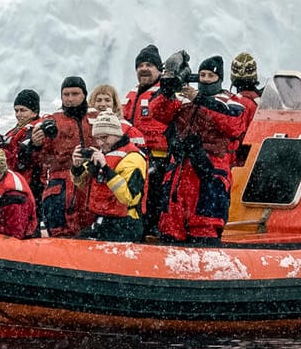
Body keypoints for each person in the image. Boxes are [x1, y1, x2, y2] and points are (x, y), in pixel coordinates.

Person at [148, 55, 252, 242]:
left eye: (210, 76)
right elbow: (158, 112)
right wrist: (167, 89)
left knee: (205, 224)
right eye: (202, 75)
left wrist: (201, 99)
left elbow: (233, 124)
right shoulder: (184, 99)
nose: (204, 79)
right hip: (179, 169)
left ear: (219, 79)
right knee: (171, 223)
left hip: (209, 170)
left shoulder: (231, 102)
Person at [30, 75, 96, 237]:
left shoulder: (96, 118)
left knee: (90, 230)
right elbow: (39, 160)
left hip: (90, 181)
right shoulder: (52, 122)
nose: (70, 99)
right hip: (60, 185)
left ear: (84, 95)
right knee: (60, 232)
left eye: (75, 94)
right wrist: (36, 144)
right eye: (66, 95)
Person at [124, 44, 180, 231]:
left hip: (159, 160)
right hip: (134, 160)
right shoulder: (131, 95)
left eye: (149, 65)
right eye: (140, 66)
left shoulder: (166, 93)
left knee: (155, 204)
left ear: (159, 69)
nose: (144, 69)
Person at [74, 110, 148, 241]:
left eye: (105, 137)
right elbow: (80, 183)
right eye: (97, 138)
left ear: (117, 134)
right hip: (103, 221)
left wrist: (106, 170)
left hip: (126, 223)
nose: (101, 143)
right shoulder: (103, 154)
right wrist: (77, 166)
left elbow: (128, 197)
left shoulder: (133, 158)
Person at [3, 88, 47, 191]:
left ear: (34, 112)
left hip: (31, 183)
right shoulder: (15, 131)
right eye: (16, 110)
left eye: (23, 110)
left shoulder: (37, 130)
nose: (18, 114)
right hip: (16, 180)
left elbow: (25, 160)